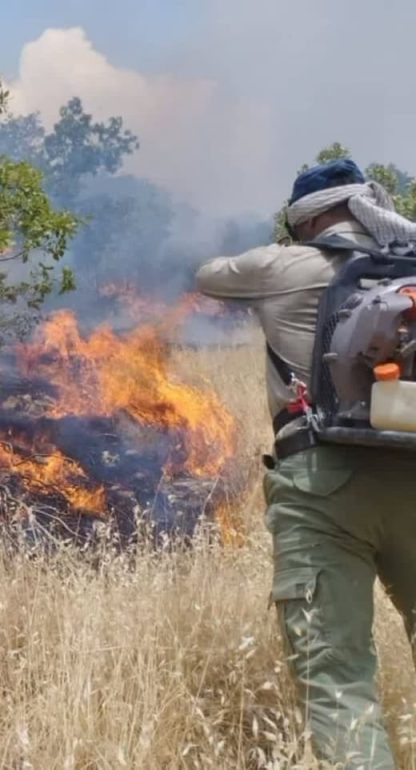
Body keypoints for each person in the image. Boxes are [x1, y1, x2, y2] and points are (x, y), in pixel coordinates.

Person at [197, 158, 416, 769]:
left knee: (338, 678)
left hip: (323, 487)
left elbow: (207, 276)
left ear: (307, 219)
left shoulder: (284, 265)